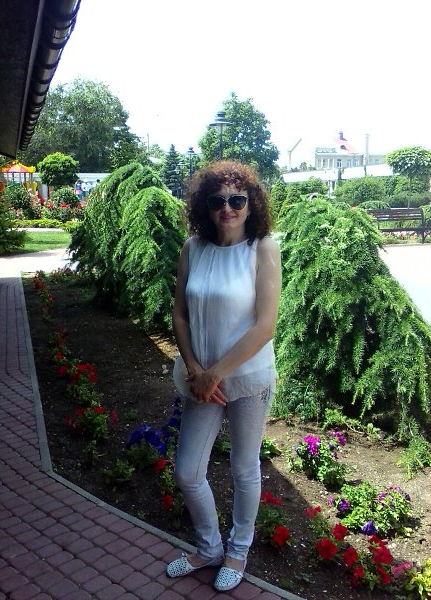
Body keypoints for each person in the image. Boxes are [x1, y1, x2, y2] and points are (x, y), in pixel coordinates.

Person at [166, 160, 282, 592]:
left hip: (247, 378)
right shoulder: (192, 248)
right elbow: (180, 314)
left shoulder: (263, 249)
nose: (227, 208)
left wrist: (215, 373)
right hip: (201, 380)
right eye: (217, 200)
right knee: (187, 471)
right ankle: (209, 548)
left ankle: (237, 550)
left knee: (244, 468)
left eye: (237, 199)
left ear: (252, 204)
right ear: (205, 205)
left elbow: (265, 326)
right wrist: (197, 371)